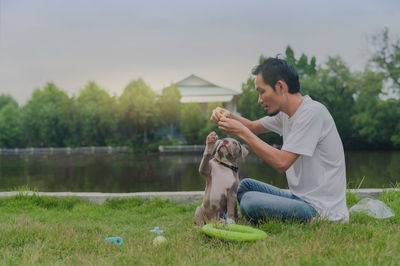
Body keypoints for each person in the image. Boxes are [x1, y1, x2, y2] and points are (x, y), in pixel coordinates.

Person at [211, 57, 349, 223]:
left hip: (321, 209)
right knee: (246, 186)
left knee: (250, 202)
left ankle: (262, 215)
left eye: (262, 92)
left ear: (281, 87)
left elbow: (282, 163)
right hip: (300, 198)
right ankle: (265, 215)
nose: (259, 99)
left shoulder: (312, 113)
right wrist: (226, 114)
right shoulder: (286, 114)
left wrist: (242, 133)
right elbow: (253, 126)